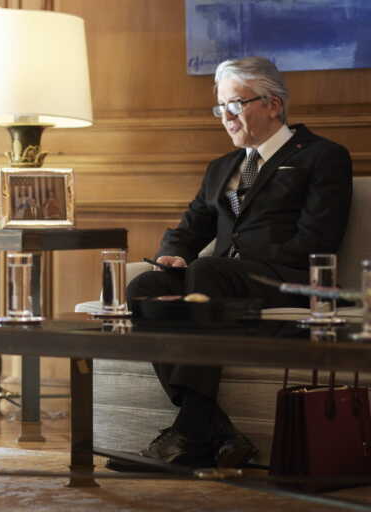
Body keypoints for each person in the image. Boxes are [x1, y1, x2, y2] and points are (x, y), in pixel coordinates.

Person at [119, 56, 353, 468]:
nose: (226, 116)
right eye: (221, 107)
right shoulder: (222, 168)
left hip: (289, 281)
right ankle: (215, 430)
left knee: (209, 270)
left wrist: (234, 265)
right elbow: (188, 229)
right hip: (218, 283)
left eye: (235, 104)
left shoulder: (323, 156)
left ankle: (192, 431)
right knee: (146, 286)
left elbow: (318, 240)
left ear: (273, 105)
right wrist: (173, 254)